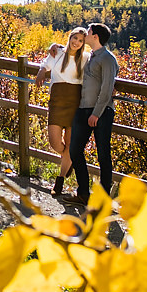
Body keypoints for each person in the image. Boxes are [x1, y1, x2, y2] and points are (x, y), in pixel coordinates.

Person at [64, 22, 118, 205]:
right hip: (83, 108)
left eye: (88, 32)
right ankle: (84, 193)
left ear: (95, 36)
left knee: (103, 154)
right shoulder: (90, 57)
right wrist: (54, 48)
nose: (85, 34)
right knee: (74, 149)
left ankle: (103, 200)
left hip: (101, 112)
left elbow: (107, 88)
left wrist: (96, 113)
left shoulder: (108, 59)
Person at [34, 27, 90, 196]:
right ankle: (70, 158)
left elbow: (101, 65)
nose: (77, 42)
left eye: (81, 40)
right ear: (70, 37)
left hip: (76, 103)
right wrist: (41, 72)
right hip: (57, 102)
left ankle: (60, 181)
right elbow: (45, 65)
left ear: (83, 44)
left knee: (71, 143)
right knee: (55, 142)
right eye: (75, 38)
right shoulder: (57, 53)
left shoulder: (86, 58)